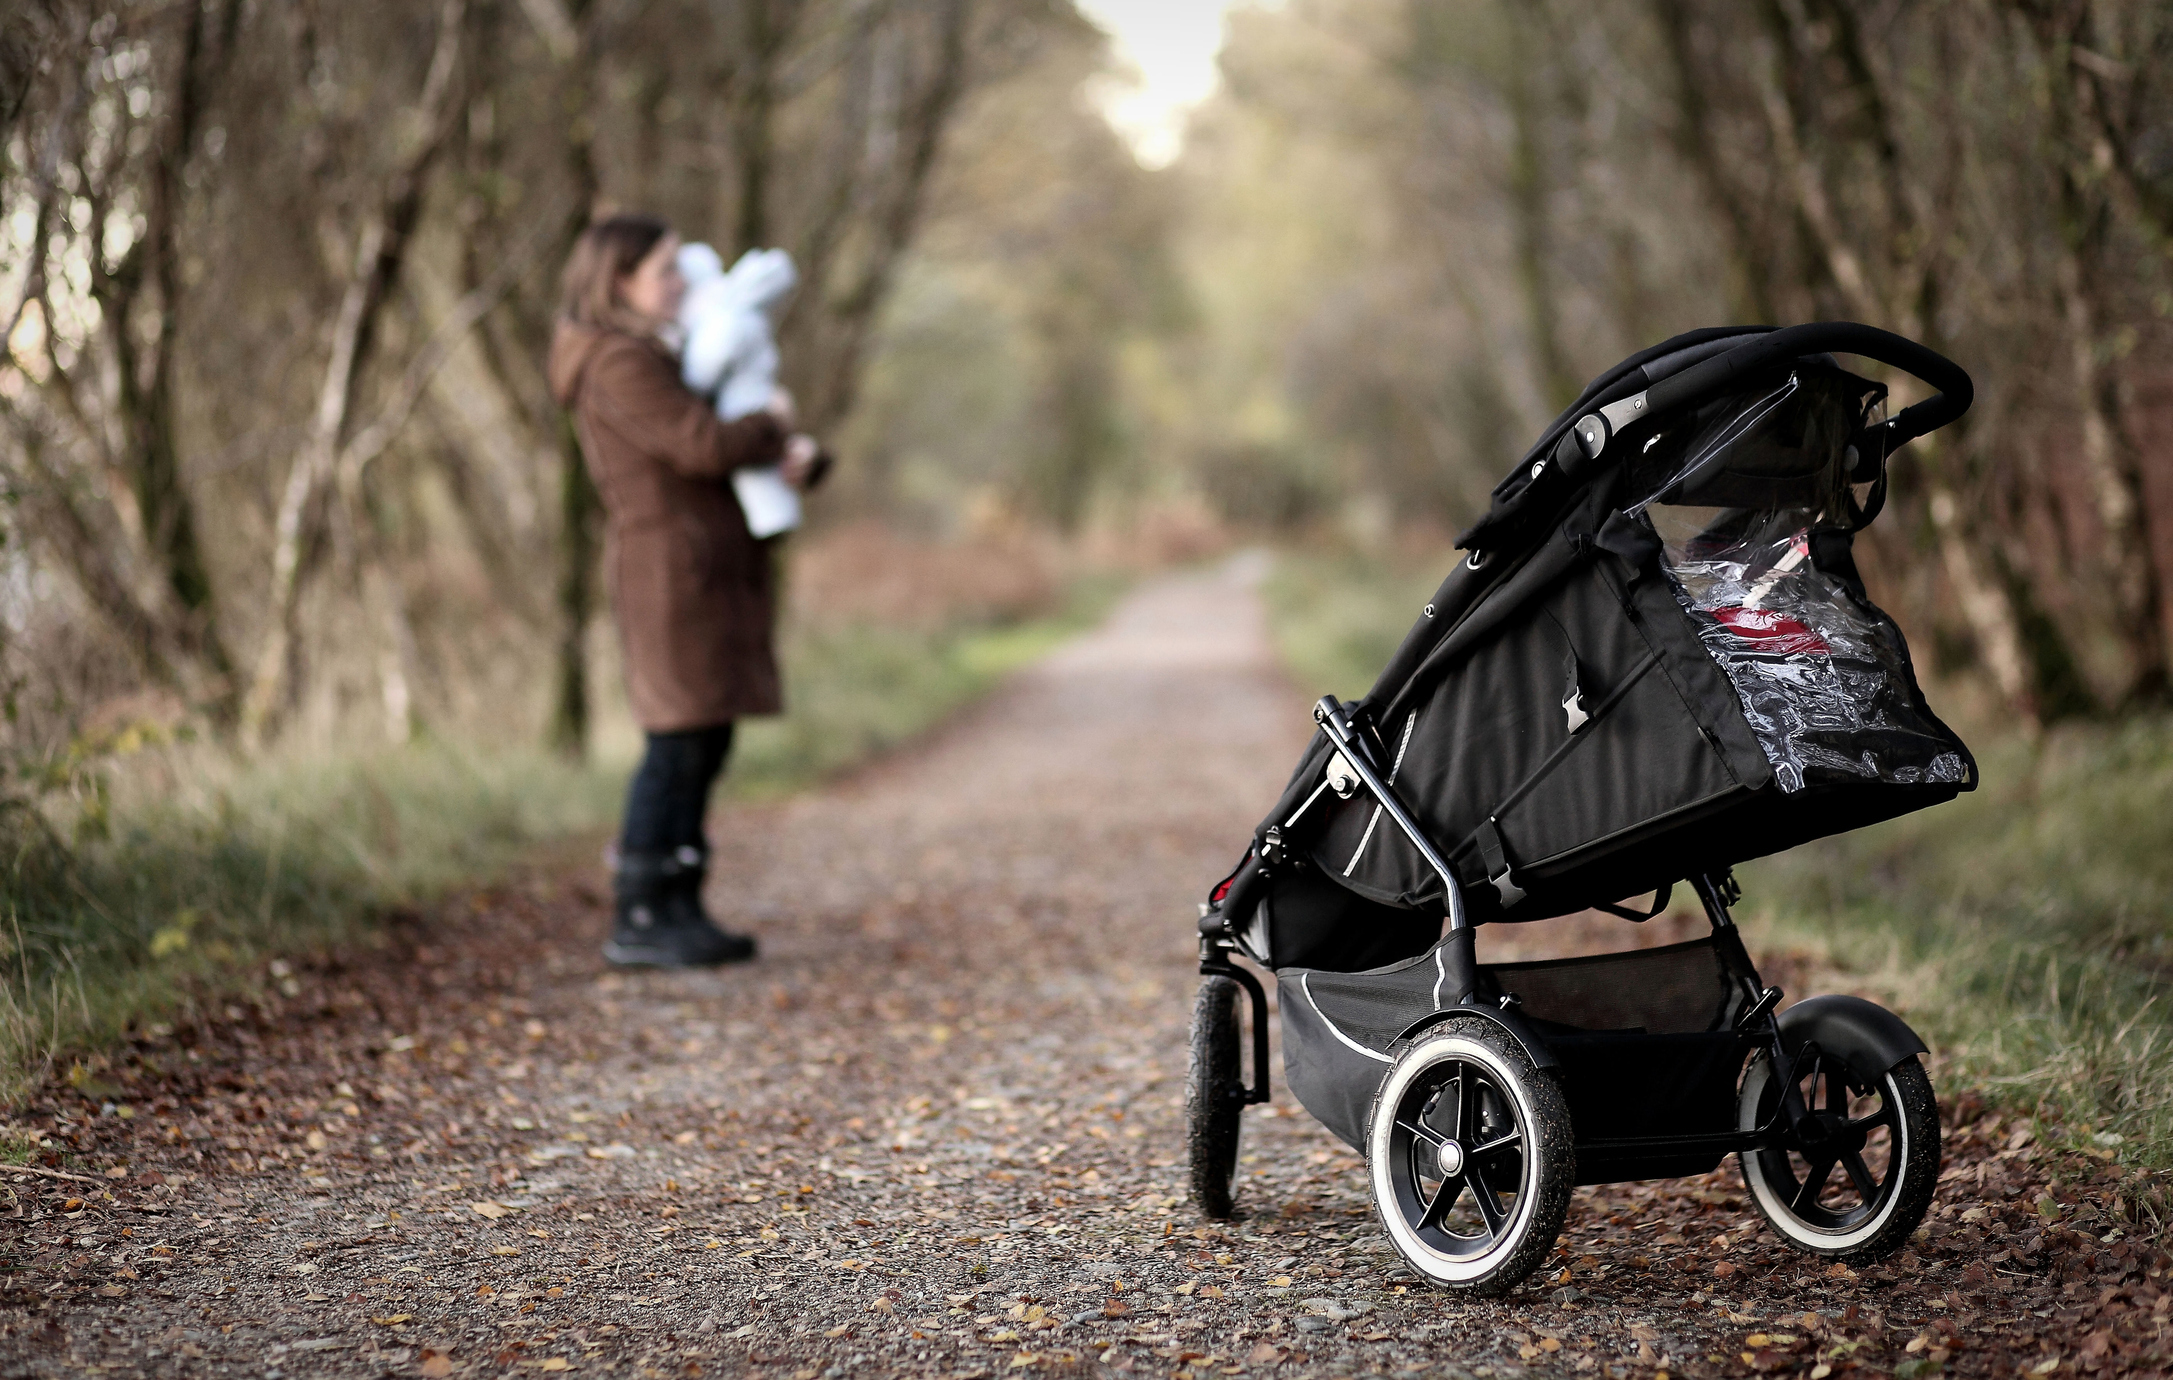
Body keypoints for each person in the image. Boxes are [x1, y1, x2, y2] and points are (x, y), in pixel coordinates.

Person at [547, 213, 823, 967]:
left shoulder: (653, 351)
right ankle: (640, 914)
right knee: (676, 738)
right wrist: (770, 422)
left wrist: (795, 454)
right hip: (669, 572)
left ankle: (681, 906)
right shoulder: (614, 362)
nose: (682, 283)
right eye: (665, 271)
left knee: (705, 734)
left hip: (701, 567)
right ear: (619, 281)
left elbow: (717, 436)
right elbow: (700, 443)